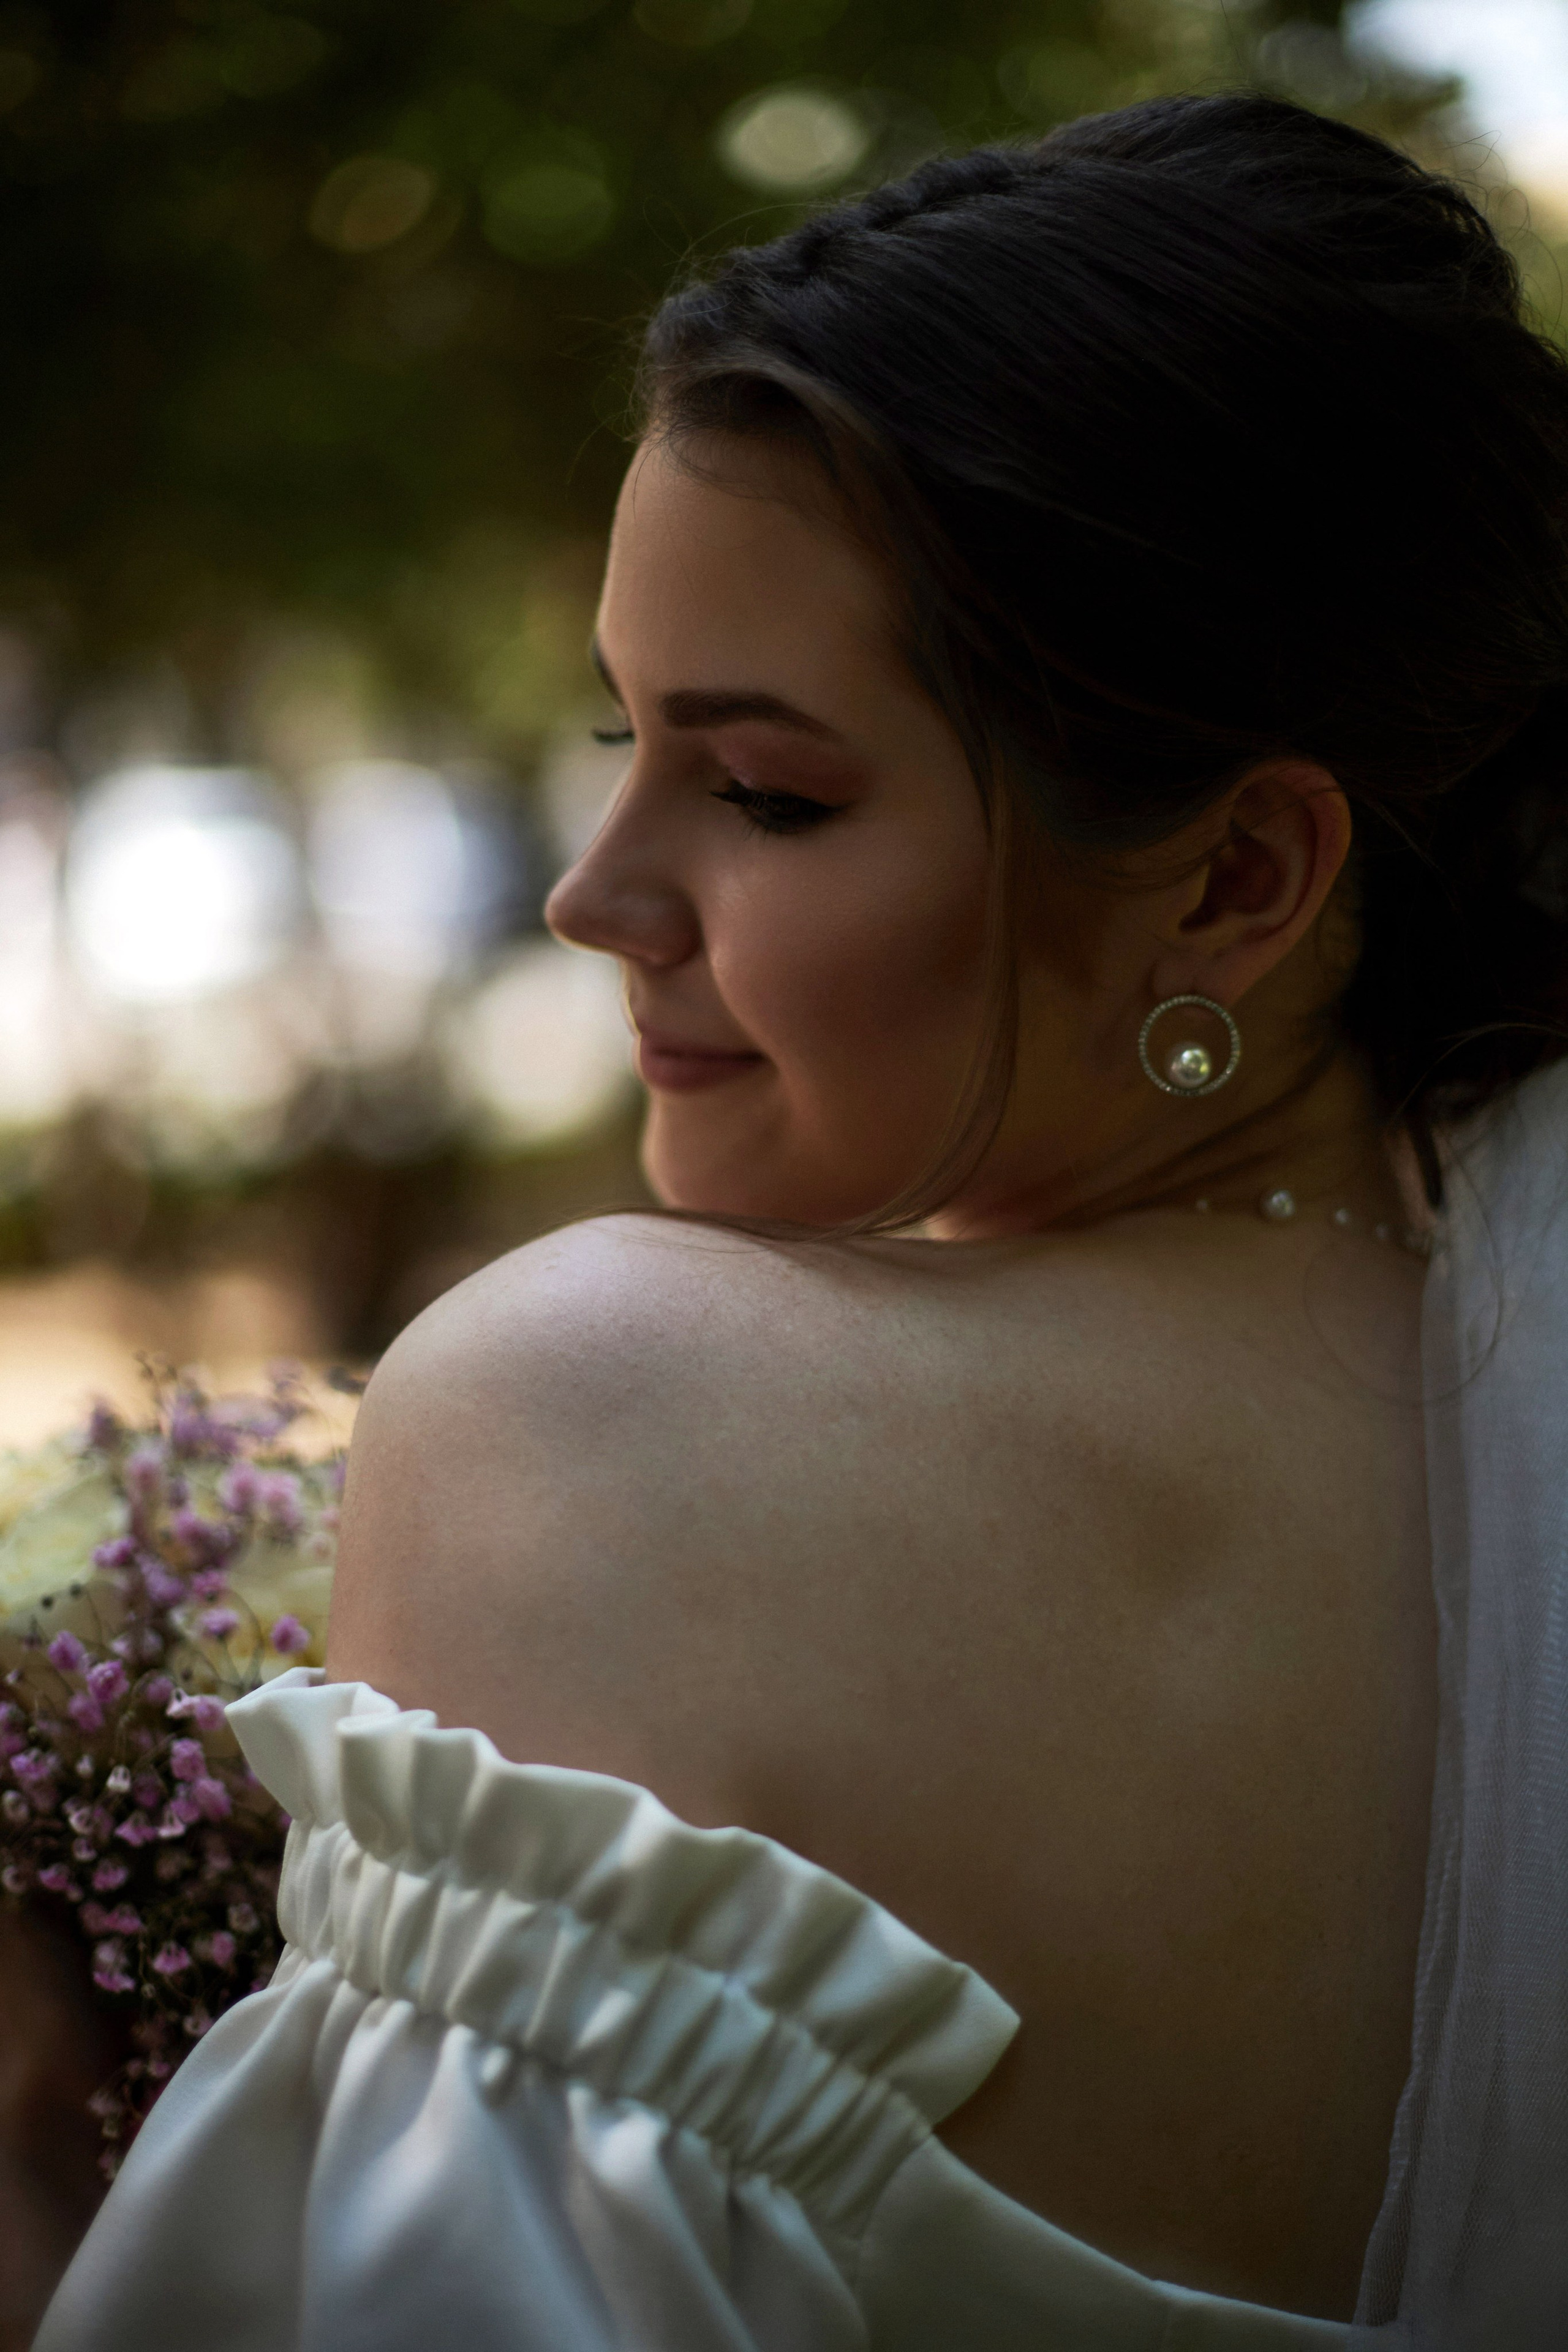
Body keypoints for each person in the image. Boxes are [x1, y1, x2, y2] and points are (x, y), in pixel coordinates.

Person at [36, 92, 1568, 2351]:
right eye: (622, 746)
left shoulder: (607, 1419)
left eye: (763, 791)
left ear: (1237, 879)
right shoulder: (1502, 1461)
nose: (593, 898)